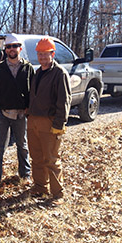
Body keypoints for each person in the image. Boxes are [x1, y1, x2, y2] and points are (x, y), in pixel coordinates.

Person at [27, 37, 71, 202]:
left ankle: (57, 193)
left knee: (51, 159)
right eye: (40, 54)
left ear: (53, 54)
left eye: (46, 54)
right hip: (33, 121)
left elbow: (64, 100)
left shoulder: (59, 73)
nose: (43, 57)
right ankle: (40, 187)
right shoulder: (37, 72)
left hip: (50, 122)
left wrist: (59, 124)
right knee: (36, 157)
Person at [0, 34, 34, 187]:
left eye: (15, 46)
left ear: (20, 48)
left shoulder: (28, 67)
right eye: (9, 47)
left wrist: (29, 107)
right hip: (3, 113)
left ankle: (25, 174)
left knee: (22, 145)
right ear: (6, 50)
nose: (12, 49)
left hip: (21, 114)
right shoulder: (0, 68)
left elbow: (33, 90)